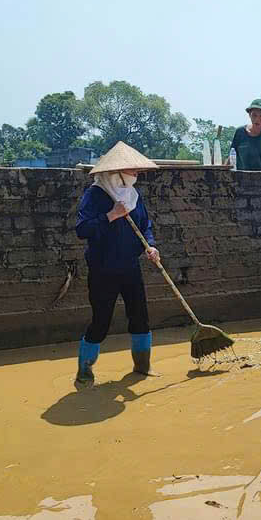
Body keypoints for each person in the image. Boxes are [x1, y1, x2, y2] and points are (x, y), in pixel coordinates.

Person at [75, 142, 161, 390]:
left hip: (130, 267)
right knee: (101, 321)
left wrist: (150, 246)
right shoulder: (96, 195)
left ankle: (143, 368)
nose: (136, 174)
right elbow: (82, 229)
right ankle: (84, 371)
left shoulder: (133, 195)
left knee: (140, 317)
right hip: (103, 269)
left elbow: (145, 225)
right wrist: (110, 215)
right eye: (132, 170)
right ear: (117, 171)